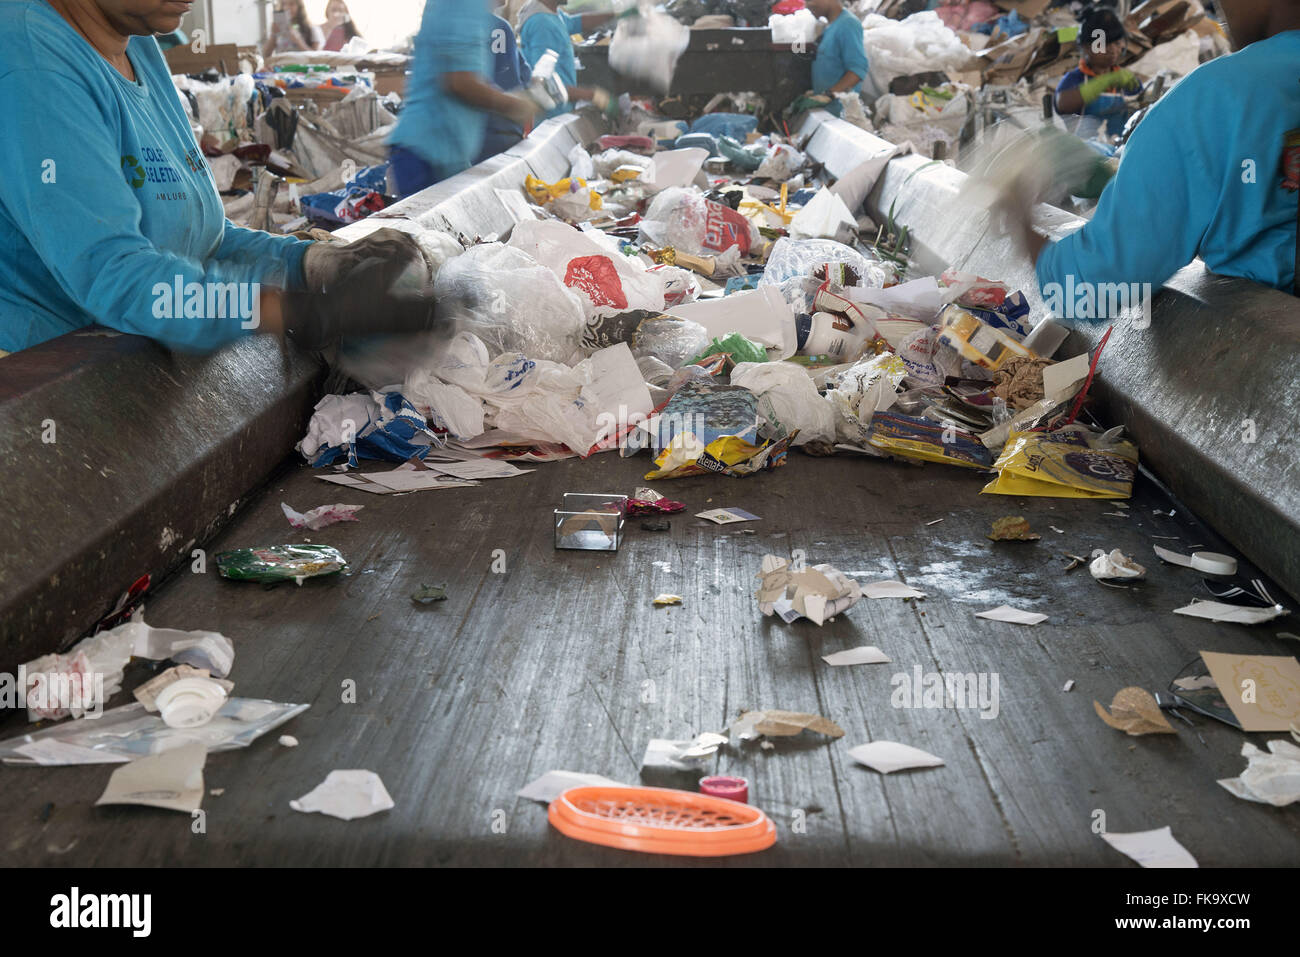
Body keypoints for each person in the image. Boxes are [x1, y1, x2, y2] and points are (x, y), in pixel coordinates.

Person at [0, 0, 431, 355]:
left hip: (126, 370)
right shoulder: (33, 64)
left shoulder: (138, 45)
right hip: (44, 390)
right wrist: (290, 311)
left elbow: (202, 239)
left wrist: (311, 265)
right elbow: (117, 279)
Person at [1026, 0, 1300, 315]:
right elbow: (1064, 101)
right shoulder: (1081, 79)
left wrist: (1016, 214)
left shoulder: (1210, 100)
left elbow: (1092, 285)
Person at [387, 0, 538, 197]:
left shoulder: (481, 15)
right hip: (427, 153)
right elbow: (461, 82)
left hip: (446, 151)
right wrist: (516, 106)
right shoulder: (462, 4)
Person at [1053, 5, 1143, 140]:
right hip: (1086, 154)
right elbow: (1062, 104)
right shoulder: (1075, 79)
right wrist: (1104, 81)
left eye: (1117, 43)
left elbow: (1140, 106)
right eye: (1105, 44)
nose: (1113, 50)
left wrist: (1136, 87)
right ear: (1086, 47)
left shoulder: (1122, 78)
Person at [517, 1, 616, 118]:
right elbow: (545, 84)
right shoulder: (542, 24)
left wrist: (616, 15)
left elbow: (573, 23)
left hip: (560, 111)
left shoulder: (550, 13)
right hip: (548, 118)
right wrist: (594, 95)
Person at [477, 10, 534, 163]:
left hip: (480, 136)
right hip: (501, 133)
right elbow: (526, 77)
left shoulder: (459, 24)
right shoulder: (500, 26)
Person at [805, 0, 869, 115]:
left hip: (842, 114)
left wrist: (829, 95)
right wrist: (816, 93)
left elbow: (857, 71)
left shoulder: (848, 24)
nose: (807, 5)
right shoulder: (829, 27)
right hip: (827, 112)